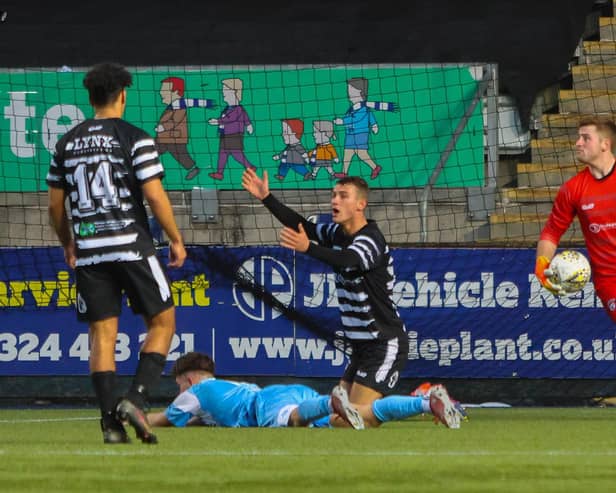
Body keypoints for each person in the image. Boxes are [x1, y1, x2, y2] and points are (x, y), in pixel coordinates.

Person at [46, 62, 187, 445]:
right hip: (131, 247)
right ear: (123, 95)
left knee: (102, 336)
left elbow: (56, 207)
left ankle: (110, 424)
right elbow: (154, 196)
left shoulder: (66, 143)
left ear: (90, 98)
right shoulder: (136, 138)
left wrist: (68, 243)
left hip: (90, 253)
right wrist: (175, 238)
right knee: (162, 323)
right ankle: (136, 398)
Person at [241, 169, 409, 423]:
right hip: (361, 347)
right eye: (333, 195)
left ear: (361, 204)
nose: (335, 201)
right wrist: (267, 197)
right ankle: (302, 418)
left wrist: (308, 248)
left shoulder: (371, 238)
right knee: (342, 413)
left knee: (352, 420)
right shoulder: (337, 233)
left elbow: (348, 260)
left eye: (343, 196)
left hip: (383, 342)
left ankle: (425, 402)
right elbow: (304, 227)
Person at [147, 352, 461, 429]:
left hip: (268, 404)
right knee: (364, 416)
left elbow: (161, 419)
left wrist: (130, 415)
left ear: (188, 379)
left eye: (178, 384)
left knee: (294, 420)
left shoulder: (197, 391)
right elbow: (202, 419)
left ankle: (331, 401)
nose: (178, 389)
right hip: (292, 392)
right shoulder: (224, 387)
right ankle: (423, 402)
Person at [535, 116, 616, 323]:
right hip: (609, 280)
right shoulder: (572, 189)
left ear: (605, 144)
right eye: (578, 138)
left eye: (585, 138)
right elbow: (551, 232)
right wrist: (541, 264)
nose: (578, 143)